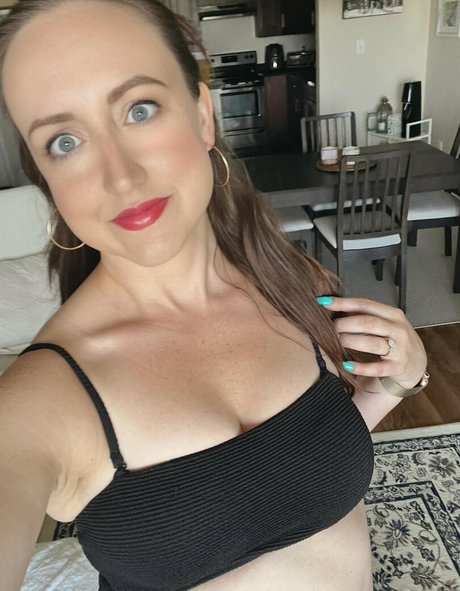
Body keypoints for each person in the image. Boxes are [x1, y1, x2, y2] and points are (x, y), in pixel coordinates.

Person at [0, 1, 428, 590]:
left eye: (140, 109)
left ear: (203, 116)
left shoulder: (291, 283)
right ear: (47, 178)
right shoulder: (42, 400)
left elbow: (284, 474)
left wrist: (395, 384)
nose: (121, 177)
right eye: (64, 141)